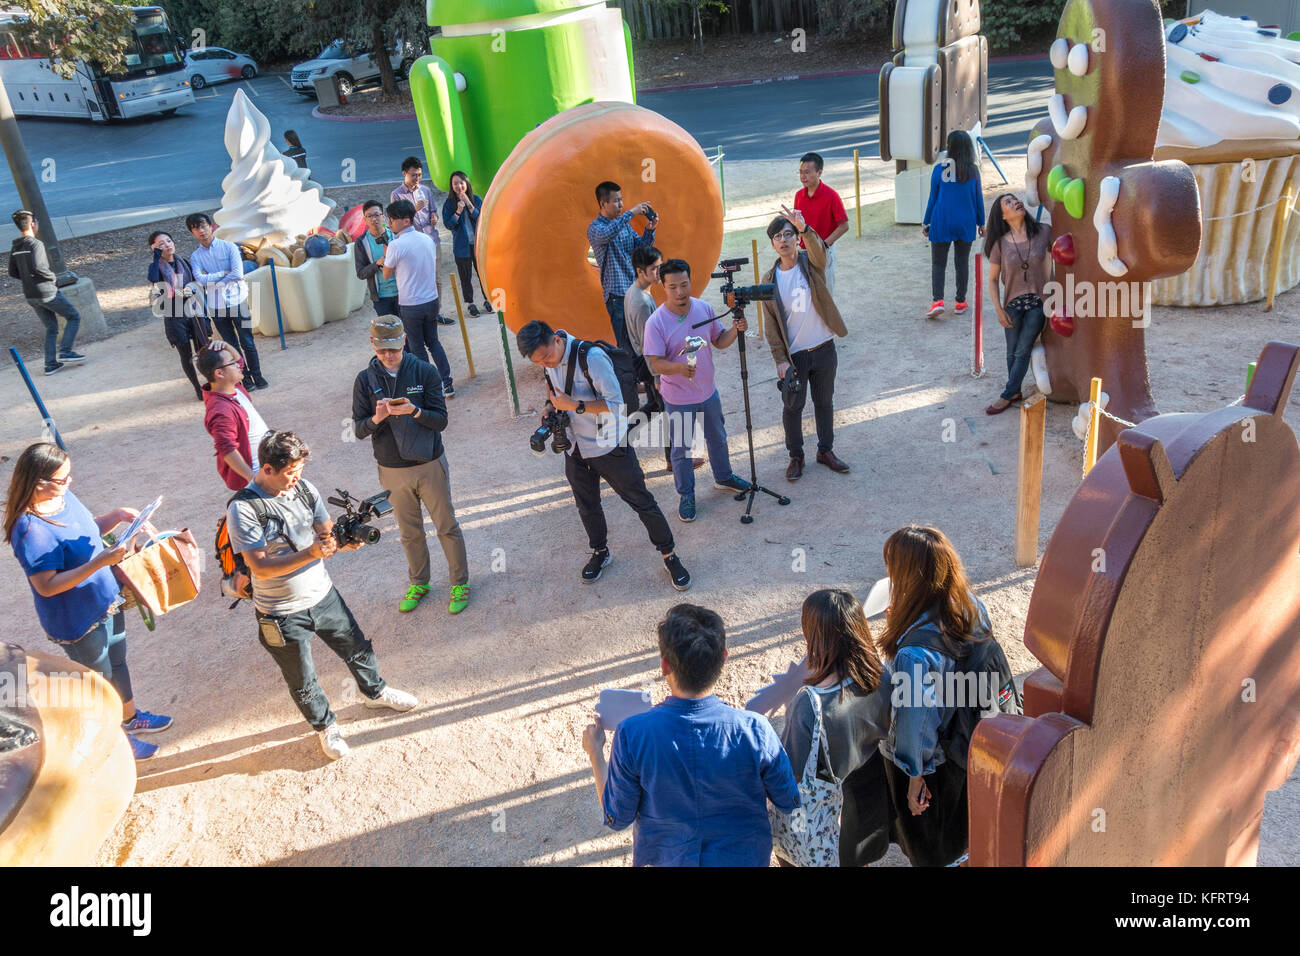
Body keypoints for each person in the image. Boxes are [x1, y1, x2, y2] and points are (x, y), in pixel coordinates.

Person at [226, 431, 419, 760]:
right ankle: (325, 726)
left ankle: (375, 692)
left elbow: (326, 533)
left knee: (357, 646)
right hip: (280, 612)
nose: (295, 478)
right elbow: (259, 567)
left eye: (299, 470)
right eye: (289, 472)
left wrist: (344, 541)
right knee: (302, 676)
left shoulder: (303, 488)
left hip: (322, 594)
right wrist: (313, 554)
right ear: (267, 469)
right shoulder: (243, 508)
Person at [581, 603, 801, 866]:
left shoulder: (632, 733)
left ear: (664, 666)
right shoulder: (756, 729)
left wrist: (596, 754)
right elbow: (788, 800)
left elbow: (616, 817)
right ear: (724, 659)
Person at [5, 443, 172, 761]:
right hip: (77, 620)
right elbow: (47, 586)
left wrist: (120, 516)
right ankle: (117, 741)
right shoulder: (28, 529)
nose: (70, 482)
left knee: (118, 664)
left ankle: (131, 717)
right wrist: (100, 562)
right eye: (62, 478)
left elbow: (88, 529)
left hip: (106, 599)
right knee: (100, 683)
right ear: (39, 483)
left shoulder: (62, 497)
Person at [516, 319, 691, 590]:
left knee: (641, 501)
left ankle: (670, 555)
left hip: (609, 445)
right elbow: (555, 393)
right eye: (539, 362)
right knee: (587, 506)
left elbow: (616, 404)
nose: (546, 365)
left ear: (557, 341)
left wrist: (575, 405)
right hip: (575, 448)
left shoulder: (592, 358)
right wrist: (550, 407)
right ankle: (600, 552)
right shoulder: (548, 362)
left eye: (548, 357)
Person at [877, 525, 994, 867]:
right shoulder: (970, 604)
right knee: (962, 830)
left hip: (937, 764)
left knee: (931, 846)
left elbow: (917, 721)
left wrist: (915, 777)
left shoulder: (914, 654)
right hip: (970, 737)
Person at [352, 316, 469, 615]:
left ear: (404, 340)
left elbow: (441, 420)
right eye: (382, 350)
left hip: (429, 463)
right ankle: (419, 581)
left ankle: (460, 583)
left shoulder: (425, 371)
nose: (388, 355)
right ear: (372, 344)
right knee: (409, 531)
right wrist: (377, 419)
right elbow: (359, 429)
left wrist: (415, 411)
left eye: (393, 348)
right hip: (391, 469)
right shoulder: (364, 380)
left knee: (446, 526)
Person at [774, 588, 893, 867]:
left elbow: (793, 768)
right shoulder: (882, 675)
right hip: (869, 789)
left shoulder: (809, 704)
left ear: (814, 637)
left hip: (828, 811)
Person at [642, 258, 751, 523]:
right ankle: (687, 496)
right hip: (678, 398)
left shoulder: (703, 308)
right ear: (663, 287)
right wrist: (679, 369)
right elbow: (655, 363)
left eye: (684, 284)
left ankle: (724, 477)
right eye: (673, 287)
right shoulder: (655, 323)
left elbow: (719, 340)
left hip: (708, 392)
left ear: (691, 281)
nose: (680, 292)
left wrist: (736, 331)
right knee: (681, 450)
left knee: (718, 438)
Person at [759, 207, 850, 482]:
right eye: (777, 236)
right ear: (773, 244)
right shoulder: (769, 280)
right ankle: (795, 456)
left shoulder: (810, 263)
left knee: (824, 402)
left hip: (823, 346)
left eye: (788, 234)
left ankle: (825, 451)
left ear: (796, 239)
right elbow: (771, 324)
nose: (784, 240)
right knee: (792, 407)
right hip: (795, 355)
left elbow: (821, 253)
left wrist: (805, 229)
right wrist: (780, 359)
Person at [984, 193, 1052, 415]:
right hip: (1012, 302)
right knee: (1011, 352)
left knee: (1023, 348)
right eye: (1009, 203)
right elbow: (993, 280)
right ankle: (1015, 392)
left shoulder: (1044, 231)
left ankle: (1006, 394)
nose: (1016, 203)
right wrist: (998, 309)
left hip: (1039, 302)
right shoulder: (1000, 243)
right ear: (1002, 216)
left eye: (1015, 199)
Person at [186, 212, 267, 390]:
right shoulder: (196, 256)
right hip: (216, 306)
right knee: (230, 345)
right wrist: (224, 274)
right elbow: (199, 279)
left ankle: (258, 375)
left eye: (203, 226)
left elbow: (238, 273)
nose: (201, 231)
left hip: (238, 301)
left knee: (248, 341)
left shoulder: (229, 247)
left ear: (211, 226)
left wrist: (214, 280)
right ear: (192, 232)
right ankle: (243, 378)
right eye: (195, 228)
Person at [383, 199, 455, 397]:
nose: (389, 223)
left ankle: (431, 387)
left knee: (417, 348)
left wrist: (385, 259)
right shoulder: (427, 239)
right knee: (434, 342)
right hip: (431, 300)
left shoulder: (396, 245)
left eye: (392, 219)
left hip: (411, 304)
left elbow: (387, 274)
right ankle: (447, 382)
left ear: (406, 221)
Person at [9, 209, 85, 376]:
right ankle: (66, 351)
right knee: (73, 316)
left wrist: (29, 280)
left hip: (31, 295)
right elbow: (39, 267)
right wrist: (52, 278)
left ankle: (50, 364)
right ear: (32, 224)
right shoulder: (36, 244)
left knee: (51, 327)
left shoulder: (16, 246)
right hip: (46, 292)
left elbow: (12, 272)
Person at [587, 180, 658, 353]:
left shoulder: (624, 225)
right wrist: (631, 213)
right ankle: (630, 380)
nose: (620, 204)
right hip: (616, 296)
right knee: (626, 346)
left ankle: (646, 378)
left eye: (621, 200)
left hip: (634, 291)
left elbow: (640, 249)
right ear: (603, 204)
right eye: (616, 201)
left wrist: (649, 230)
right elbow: (607, 234)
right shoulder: (595, 228)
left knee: (645, 338)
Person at [922, 131, 985, 318]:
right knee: (962, 262)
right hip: (965, 221)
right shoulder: (973, 171)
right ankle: (960, 301)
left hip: (942, 220)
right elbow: (977, 198)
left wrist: (926, 221)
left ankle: (937, 301)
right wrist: (982, 222)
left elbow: (933, 198)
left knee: (938, 263)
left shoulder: (939, 169)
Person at [148, 230, 211, 400]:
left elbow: (197, 282)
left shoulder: (184, 262)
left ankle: (210, 382)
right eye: (161, 244)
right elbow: (153, 279)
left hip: (193, 310)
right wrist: (156, 257)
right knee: (186, 354)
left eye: (169, 241)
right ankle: (198, 388)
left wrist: (190, 290)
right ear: (153, 248)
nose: (167, 245)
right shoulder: (157, 266)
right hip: (174, 314)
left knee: (203, 349)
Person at [389, 156, 453, 325]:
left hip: (431, 239)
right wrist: (414, 210)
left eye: (419, 175)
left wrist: (434, 217)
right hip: (412, 245)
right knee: (417, 278)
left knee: (436, 278)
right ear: (404, 173)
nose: (416, 179)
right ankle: (420, 314)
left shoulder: (426, 190)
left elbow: (433, 210)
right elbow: (398, 220)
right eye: (413, 175)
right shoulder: (397, 195)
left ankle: (436, 312)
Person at [198, 341, 269, 491]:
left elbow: (240, 363)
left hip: (266, 469)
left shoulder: (231, 387)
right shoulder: (221, 409)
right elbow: (226, 448)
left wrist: (226, 346)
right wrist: (253, 480)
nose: (238, 364)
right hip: (259, 475)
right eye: (232, 362)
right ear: (219, 373)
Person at [793, 153, 849, 293]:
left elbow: (844, 226)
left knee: (824, 294)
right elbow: (798, 223)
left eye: (807, 172)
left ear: (819, 172)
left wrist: (824, 245)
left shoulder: (831, 196)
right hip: (802, 251)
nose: (803, 176)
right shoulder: (798, 195)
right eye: (800, 172)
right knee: (805, 293)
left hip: (823, 250)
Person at [441, 171, 491, 316]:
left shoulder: (475, 199)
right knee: (465, 276)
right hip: (461, 246)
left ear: (467, 183)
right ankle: (470, 304)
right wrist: (458, 211)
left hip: (477, 245)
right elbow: (448, 224)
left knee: (483, 274)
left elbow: (482, 219)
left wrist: (468, 203)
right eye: (455, 183)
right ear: (452, 186)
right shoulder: (449, 203)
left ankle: (488, 299)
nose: (459, 186)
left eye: (461, 182)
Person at [353, 200, 399, 318]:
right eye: (369, 216)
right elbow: (361, 273)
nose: (374, 219)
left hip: (402, 292)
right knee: (389, 333)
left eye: (377, 215)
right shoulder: (361, 242)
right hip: (381, 297)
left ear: (383, 216)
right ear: (365, 219)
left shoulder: (396, 235)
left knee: (407, 331)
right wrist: (377, 264)